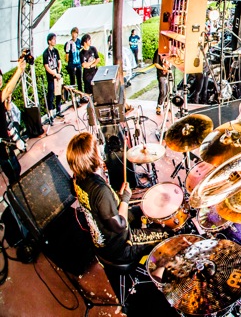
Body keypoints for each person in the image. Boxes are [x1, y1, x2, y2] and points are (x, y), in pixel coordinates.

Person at [67, 132, 170, 264]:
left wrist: (118, 197)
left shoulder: (78, 178)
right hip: (120, 247)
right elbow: (120, 225)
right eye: (97, 149)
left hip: (103, 237)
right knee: (168, 234)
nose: (101, 150)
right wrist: (125, 198)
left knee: (143, 210)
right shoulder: (99, 190)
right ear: (92, 157)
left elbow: (99, 205)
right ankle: (155, 268)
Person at [0, 58, 26, 184]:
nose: (0, 79)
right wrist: (19, 70)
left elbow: (7, 109)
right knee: (13, 173)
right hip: (1, 146)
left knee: (16, 170)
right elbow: (8, 89)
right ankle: (15, 191)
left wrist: (8, 101)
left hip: (6, 140)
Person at [43, 33, 63, 119]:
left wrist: (59, 72)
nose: (55, 41)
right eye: (53, 39)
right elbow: (46, 67)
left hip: (57, 74)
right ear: (49, 41)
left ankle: (58, 110)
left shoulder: (56, 51)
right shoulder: (45, 53)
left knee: (58, 94)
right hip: (51, 76)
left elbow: (59, 62)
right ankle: (50, 113)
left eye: (55, 39)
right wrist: (54, 74)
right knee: (51, 95)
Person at [64, 27, 85, 101]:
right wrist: (68, 61)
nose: (74, 35)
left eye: (75, 33)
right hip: (71, 64)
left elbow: (83, 50)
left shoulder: (80, 42)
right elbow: (66, 55)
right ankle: (73, 98)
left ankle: (81, 96)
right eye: (72, 33)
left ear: (77, 34)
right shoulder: (68, 43)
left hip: (78, 63)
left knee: (79, 81)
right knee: (72, 81)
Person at [153, 51, 171, 115]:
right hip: (161, 75)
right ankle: (159, 106)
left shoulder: (171, 51)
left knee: (168, 91)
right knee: (163, 91)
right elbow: (156, 64)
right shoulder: (158, 52)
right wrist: (163, 68)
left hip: (169, 74)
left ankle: (166, 104)